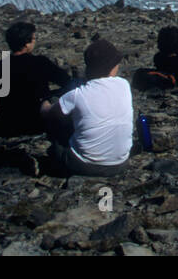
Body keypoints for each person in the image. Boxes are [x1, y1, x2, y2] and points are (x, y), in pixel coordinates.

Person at [40, 39, 133, 177]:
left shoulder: (77, 94)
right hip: (121, 163)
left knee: (58, 127)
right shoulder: (124, 85)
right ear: (113, 66)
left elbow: (49, 114)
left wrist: (44, 103)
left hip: (84, 165)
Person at [0, 22, 72, 136]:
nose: (35, 41)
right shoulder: (39, 62)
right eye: (34, 38)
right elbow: (65, 80)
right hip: (36, 123)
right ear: (26, 43)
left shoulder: (1, 65)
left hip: (9, 124)